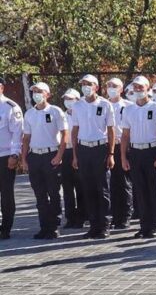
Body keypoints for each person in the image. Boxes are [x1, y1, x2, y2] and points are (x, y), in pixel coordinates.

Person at [121, 76, 156, 239]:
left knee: (154, 189)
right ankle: (144, 225)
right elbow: (125, 136)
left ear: (147, 88)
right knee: (140, 191)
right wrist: (123, 157)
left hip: (152, 151)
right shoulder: (128, 110)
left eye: (140, 87)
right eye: (135, 87)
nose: (137, 90)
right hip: (135, 152)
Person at [70, 74, 117, 239]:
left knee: (102, 188)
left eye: (88, 84)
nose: (85, 86)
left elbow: (111, 130)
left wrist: (111, 153)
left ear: (96, 87)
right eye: (83, 84)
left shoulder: (105, 104)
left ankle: (104, 225)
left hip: (100, 149)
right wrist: (75, 156)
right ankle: (93, 225)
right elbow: (74, 131)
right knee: (87, 189)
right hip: (84, 149)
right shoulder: (77, 105)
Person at [21, 83, 67, 239]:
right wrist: (24, 159)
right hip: (35, 157)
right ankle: (44, 226)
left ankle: (54, 226)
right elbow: (26, 138)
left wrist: (59, 156)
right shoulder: (29, 114)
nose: (36, 94)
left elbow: (64, 135)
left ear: (47, 94)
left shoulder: (55, 111)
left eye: (39, 91)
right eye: (33, 91)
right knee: (40, 194)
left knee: (53, 193)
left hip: (51, 155)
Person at [104, 78, 133, 229]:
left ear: (121, 89)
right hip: (107, 147)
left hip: (122, 146)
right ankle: (113, 215)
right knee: (109, 184)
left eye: (114, 86)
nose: (111, 88)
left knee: (123, 183)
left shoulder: (129, 106)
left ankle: (124, 216)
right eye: (108, 85)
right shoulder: (103, 105)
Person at [59, 90, 85, 229]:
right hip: (65, 152)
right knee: (67, 188)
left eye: (71, 98)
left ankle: (81, 216)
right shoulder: (61, 115)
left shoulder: (82, 114)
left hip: (79, 150)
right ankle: (70, 217)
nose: (68, 101)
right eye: (66, 98)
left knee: (80, 186)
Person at [0, 78, 22, 240]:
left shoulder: (10, 107)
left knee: (6, 194)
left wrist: (15, 154)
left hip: (5, 156)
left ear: (1, 87)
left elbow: (17, 133)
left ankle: (5, 228)